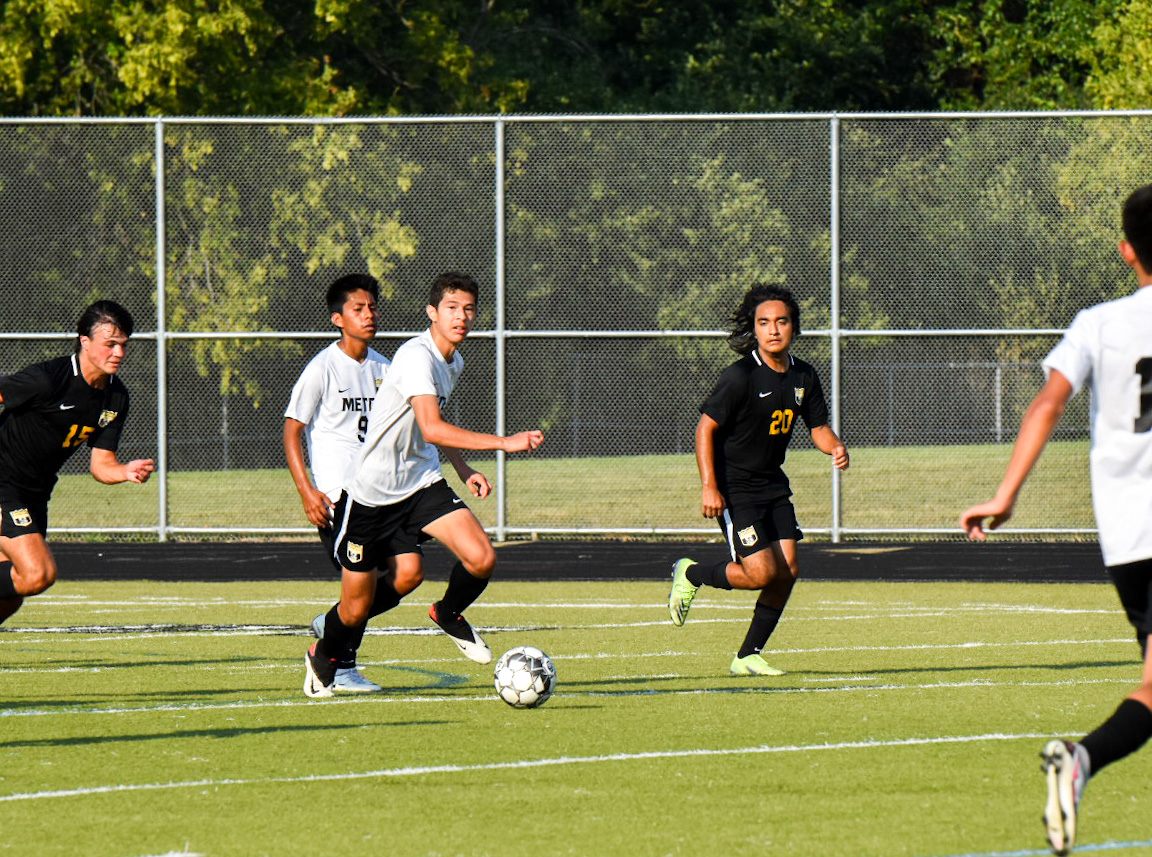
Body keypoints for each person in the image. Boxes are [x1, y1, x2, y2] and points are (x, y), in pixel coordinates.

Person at [960, 184, 1152, 857]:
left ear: (1127, 249)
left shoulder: (1099, 322)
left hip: (1129, 539)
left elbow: (1047, 403)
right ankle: (1081, 758)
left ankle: (1082, 760)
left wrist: (1006, 494)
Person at [303, 272, 544, 698]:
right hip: (371, 495)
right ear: (432, 313)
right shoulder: (416, 355)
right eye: (452, 308)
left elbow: (427, 430)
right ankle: (326, 647)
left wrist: (464, 468)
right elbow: (433, 427)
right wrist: (504, 443)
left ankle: (448, 612)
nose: (462, 317)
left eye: (469, 309)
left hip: (419, 483)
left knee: (481, 557)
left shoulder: (455, 361)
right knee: (358, 604)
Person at [667, 284, 849, 676]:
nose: (773, 329)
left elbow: (818, 428)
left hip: (773, 486)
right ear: (754, 328)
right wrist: (709, 486)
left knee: (789, 571)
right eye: (764, 322)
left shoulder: (804, 375)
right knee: (761, 574)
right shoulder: (740, 376)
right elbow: (704, 429)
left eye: (781, 321)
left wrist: (834, 446)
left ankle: (747, 655)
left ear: (794, 328)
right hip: (735, 488)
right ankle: (691, 573)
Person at [0, 300, 155, 626]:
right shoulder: (49, 379)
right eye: (110, 344)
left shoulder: (116, 397)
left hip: (34, 493)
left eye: (124, 345)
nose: (119, 353)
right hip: (4, 484)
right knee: (37, 573)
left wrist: (125, 472)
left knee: (13, 593)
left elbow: (101, 465)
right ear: (85, 341)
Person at [284, 274, 391, 692]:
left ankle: (332, 622)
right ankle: (340, 666)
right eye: (358, 309)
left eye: (372, 307)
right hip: (336, 499)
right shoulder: (322, 368)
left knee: (407, 574)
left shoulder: (386, 368)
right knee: (362, 581)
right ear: (337, 318)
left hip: (380, 496)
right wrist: (308, 491)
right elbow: (292, 429)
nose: (369, 315)